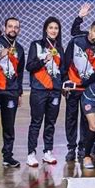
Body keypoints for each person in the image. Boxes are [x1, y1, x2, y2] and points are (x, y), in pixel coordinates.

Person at [62, 20, 95, 162]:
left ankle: (83, 147)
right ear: (90, 30)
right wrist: (65, 82)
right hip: (73, 88)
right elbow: (65, 62)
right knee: (71, 119)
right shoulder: (76, 41)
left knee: (86, 120)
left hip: (89, 91)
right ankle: (71, 148)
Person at [0, 17, 25, 168]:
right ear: (4, 27)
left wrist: (19, 93)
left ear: (19, 30)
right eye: (10, 26)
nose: (13, 29)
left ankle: (8, 157)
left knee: (9, 126)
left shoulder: (19, 49)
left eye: (16, 27)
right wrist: (0, 56)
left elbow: (19, 73)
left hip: (11, 91)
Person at [25, 16, 65, 167]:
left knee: (51, 123)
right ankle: (31, 154)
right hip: (39, 90)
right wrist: (44, 60)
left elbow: (63, 70)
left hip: (55, 91)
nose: (54, 30)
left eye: (56, 28)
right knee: (36, 122)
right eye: (51, 28)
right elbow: (29, 66)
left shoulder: (60, 48)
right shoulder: (36, 45)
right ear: (45, 29)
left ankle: (47, 152)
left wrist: (63, 86)